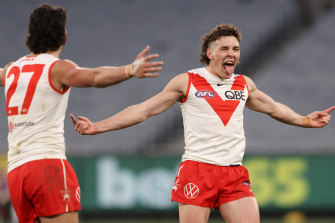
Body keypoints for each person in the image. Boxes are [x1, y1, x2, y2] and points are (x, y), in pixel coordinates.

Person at [71, 23, 334, 223]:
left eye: (236, 49)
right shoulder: (187, 82)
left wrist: (304, 120)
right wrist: (98, 126)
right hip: (198, 171)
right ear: (209, 53)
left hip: (233, 173)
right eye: (225, 48)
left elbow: (274, 108)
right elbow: (143, 110)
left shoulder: (243, 84)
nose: (232, 54)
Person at [0, 3, 163, 223]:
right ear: (64, 36)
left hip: (17, 173)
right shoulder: (57, 68)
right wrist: (129, 70)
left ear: (29, 35)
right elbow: (94, 77)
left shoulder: (11, 70)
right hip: (47, 166)